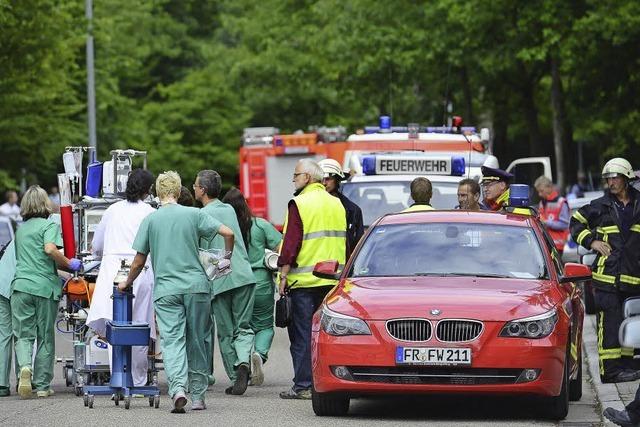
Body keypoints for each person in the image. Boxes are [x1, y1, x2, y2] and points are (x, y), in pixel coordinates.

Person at [117, 171, 234, 413]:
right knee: (198, 341)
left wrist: (126, 282)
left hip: (166, 290)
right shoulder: (194, 214)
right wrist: (227, 258)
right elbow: (228, 233)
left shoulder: (151, 220)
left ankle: (178, 389)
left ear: (158, 193)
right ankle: (199, 396)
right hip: (197, 288)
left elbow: (139, 261)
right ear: (179, 191)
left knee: (172, 341)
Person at [278, 159, 346, 399]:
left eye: (296, 175)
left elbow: (291, 244)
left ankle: (304, 385)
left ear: (307, 177)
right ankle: (326, 381)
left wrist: (283, 274)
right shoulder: (337, 204)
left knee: (302, 336)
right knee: (326, 335)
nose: (293, 180)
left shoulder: (299, 203)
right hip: (331, 282)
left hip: (304, 282)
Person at [570, 158, 640, 385]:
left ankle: (627, 367)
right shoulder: (599, 206)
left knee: (628, 323)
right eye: (608, 178)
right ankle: (609, 372)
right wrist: (591, 242)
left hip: (633, 277)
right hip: (606, 278)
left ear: (627, 178)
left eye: (615, 177)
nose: (610, 182)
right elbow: (575, 223)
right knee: (609, 325)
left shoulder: (639, 204)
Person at [86, 169, 156, 388]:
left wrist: (98, 254)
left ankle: (117, 376)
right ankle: (138, 381)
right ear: (148, 190)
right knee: (139, 324)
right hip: (141, 270)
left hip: (112, 271)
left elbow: (96, 245)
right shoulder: (149, 212)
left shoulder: (112, 210)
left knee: (114, 325)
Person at [11, 185, 81, 398]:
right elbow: (50, 250)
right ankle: (42, 386)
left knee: (23, 334)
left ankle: (25, 367)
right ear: (45, 203)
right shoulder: (48, 226)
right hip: (43, 288)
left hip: (21, 286)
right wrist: (69, 264)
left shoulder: (21, 229)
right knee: (45, 337)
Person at [194, 170, 256, 396]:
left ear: (202, 190)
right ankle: (243, 362)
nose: (194, 189)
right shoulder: (229, 209)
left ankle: (234, 374)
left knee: (226, 331)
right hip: (243, 275)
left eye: (195, 186)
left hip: (219, 279)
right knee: (244, 327)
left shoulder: (200, 216)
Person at [222, 187, 282, 386]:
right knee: (264, 326)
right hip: (261, 282)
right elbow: (280, 246)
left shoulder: (225, 229)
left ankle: (241, 363)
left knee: (239, 328)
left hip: (235, 283)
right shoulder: (260, 225)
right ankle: (259, 354)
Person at [317, 159, 364, 259]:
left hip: (342, 266)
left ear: (338, 180)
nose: (324, 183)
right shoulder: (309, 206)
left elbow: (357, 245)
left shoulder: (353, 210)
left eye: (328, 179)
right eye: (321, 179)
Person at [534, 175, 570, 254]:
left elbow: (564, 224)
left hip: (557, 245)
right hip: (545, 243)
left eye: (541, 191)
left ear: (549, 187)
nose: (539, 194)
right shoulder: (542, 203)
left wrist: (546, 222)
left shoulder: (561, 202)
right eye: (538, 192)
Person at [0, 239, 16, 397]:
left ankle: (1, 384)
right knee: (22, 334)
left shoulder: (22, 232)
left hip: (1, 283)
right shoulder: (47, 231)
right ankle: (23, 379)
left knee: (4, 335)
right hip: (17, 286)